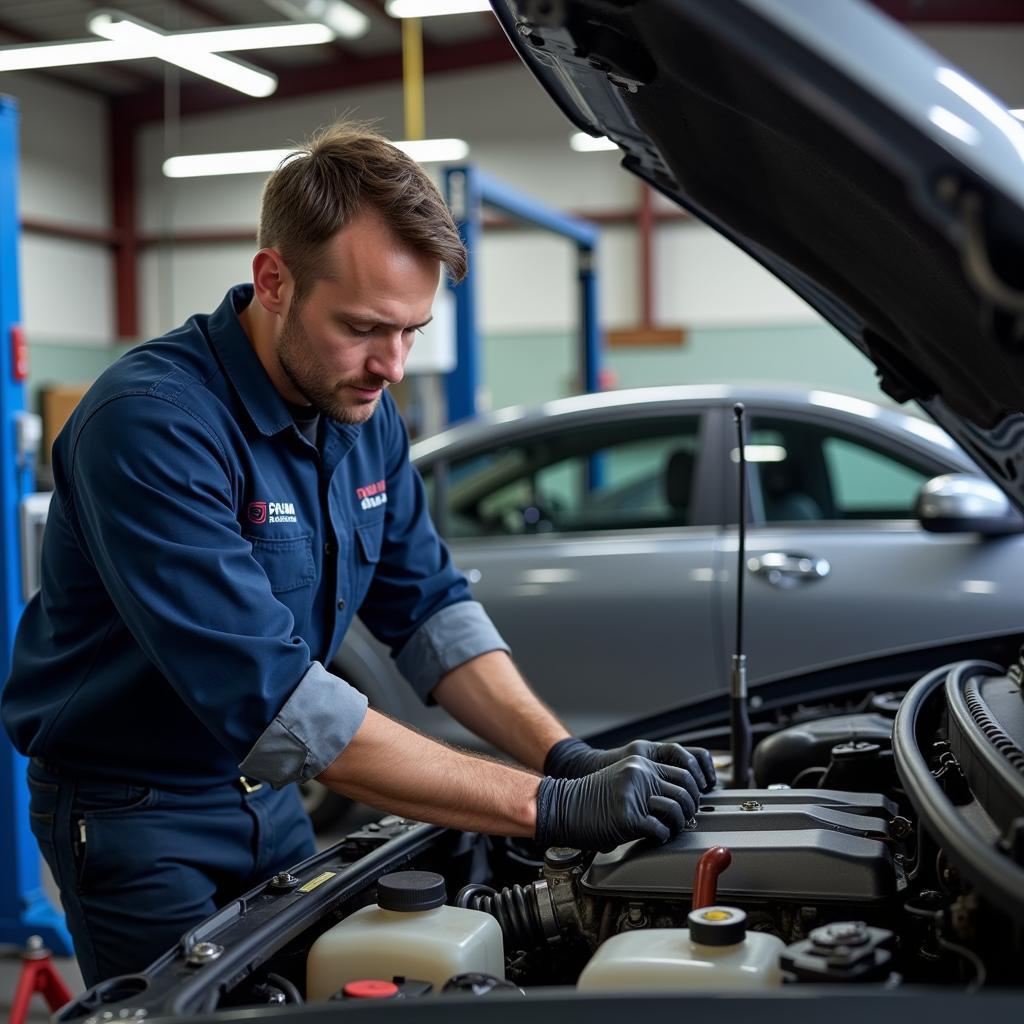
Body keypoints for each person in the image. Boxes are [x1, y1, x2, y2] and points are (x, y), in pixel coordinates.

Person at [1, 122, 714, 986]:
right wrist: (549, 806)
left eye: (412, 330)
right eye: (366, 328)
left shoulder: (360, 410)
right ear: (274, 281)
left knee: (324, 993)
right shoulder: (151, 425)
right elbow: (280, 706)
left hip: (275, 801)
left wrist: (564, 754)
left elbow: (432, 613)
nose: (393, 365)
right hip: (140, 813)